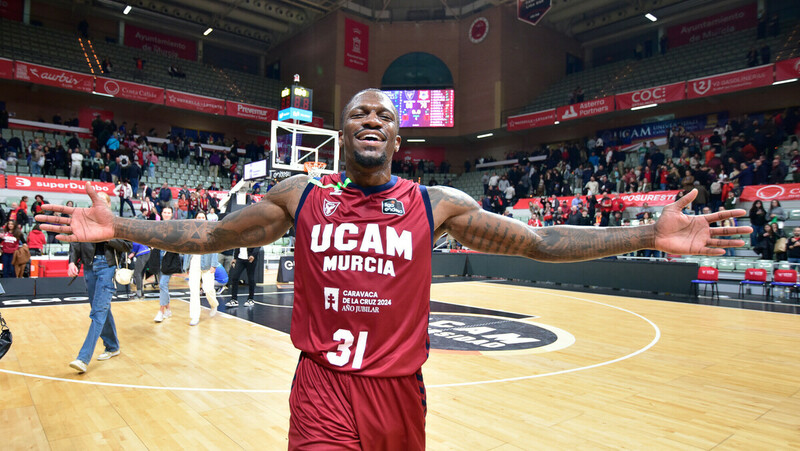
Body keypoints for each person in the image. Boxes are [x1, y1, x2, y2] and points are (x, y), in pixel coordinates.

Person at [37, 88, 751, 449]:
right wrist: (121, 226)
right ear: (343, 134)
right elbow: (211, 231)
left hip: (399, 396)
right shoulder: (303, 194)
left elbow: (539, 243)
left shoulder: (434, 204)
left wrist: (643, 234)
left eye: (382, 114)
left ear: (398, 135)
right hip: (322, 387)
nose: (370, 120)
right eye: (357, 115)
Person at [67, 192, 132, 373]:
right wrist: (72, 261)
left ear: (109, 205)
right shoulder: (85, 221)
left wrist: (108, 238)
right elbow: (76, 243)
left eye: (103, 202)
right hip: (89, 267)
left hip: (107, 267)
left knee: (98, 311)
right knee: (102, 309)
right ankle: (112, 346)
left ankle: (83, 358)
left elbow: (128, 246)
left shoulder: (117, 223)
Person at [187, 212, 219, 325]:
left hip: (208, 263)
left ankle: (214, 304)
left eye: (202, 217)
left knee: (208, 289)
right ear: (195, 218)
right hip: (194, 263)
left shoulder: (211, 232)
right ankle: (194, 316)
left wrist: (214, 265)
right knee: (194, 290)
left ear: (206, 219)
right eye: (199, 217)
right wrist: (186, 265)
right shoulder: (190, 232)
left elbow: (215, 248)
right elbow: (187, 249)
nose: (201, 219)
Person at [154, 206, 181, 323]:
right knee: (163, 286)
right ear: (162, 213)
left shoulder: (175, 228)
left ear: (171, 214)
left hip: (169, 260)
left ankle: (161, 311)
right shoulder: (157, 226)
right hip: (158, 258)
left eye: (168, 212)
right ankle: (168, 309)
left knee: (162, 285)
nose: (166, 214)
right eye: (164, 212)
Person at [225, 244, 260, 308]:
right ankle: (234, 299)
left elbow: (258, 245)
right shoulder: (239, 235)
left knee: (251, 278)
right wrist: (235, 258)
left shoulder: (253, 235)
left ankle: (251, 299)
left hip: (250, 258)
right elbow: (237, 246)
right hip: (240, 259)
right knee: (235, 277)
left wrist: (253, 255)